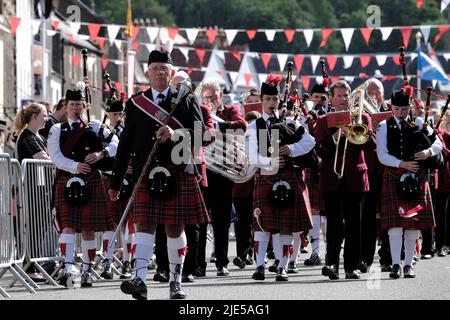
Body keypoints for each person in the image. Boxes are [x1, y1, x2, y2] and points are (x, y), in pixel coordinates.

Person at [108, 50, 209, 300]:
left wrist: (175, 135)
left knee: (175, 228)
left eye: (165, 69)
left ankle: (175, 281)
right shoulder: (135, 103)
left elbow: (202, 135)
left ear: (172, 73)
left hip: (178, 171)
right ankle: (140, 279)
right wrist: (116, 181)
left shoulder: (186, 99)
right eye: (155, 69)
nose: (160, 73)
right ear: (148, 73)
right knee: (144, 226)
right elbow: (125, 144)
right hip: (147, 173)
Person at [48, 89, 118, 288]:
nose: (75, 107)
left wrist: (101, 154)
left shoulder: (94, 126)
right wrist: (75, 166)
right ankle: (69, 267)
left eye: (79, 104)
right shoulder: (57, 130)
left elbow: (116, 142)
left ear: (84, 106)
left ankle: (87, 270)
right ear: (66, 106)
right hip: (67, 179)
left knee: (89, 229)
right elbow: (54, 156)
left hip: (92, 180)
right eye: (72, 104)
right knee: (68, 225)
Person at [248, 74, 315, 282]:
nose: (271, 103)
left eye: (274, 99)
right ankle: (259, 266)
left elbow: (310, 142)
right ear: (262, 100)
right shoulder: (253, 126)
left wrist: (292, 148)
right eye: (267, 99)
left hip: (288, 176)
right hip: (266, 176)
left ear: (279, 100)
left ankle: (282, 267)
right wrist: (270, 162)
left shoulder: (290, 122)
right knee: (262, 226)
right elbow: (251, 156)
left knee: (286, 226)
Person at [376, 89, 442, 279]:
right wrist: (402, 163)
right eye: (397, 109)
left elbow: (437, 143)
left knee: (413, 222)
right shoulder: (383, 126)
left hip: (416, 176)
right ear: (391, 108)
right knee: (395, 224)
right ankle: (396, 264)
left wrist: (427, 153)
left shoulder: (419, 123)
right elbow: (382, 155)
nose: (401, 113)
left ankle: (408, 264)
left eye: (404, 109)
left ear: (409, 107)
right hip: (394, 175)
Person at [315, 80, 372, 280]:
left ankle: (352, 266)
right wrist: (335, 137)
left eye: (346, 95)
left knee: (354, 225)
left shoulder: (362, 117)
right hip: (332, 178)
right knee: (334, 225)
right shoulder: (323, 120)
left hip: (355, 177)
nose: (343, 99)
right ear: (331, 98)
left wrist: (356, 129)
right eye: (338, 95)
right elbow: (320, 150)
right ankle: (331, 263)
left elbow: (368, 145)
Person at [198, 79, 247, 276]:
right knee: (200, 221)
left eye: (213, 96)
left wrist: (215, 124)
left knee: (222, 220)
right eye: (206, 97)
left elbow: (241, 125)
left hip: (223, 171)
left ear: (221, 95)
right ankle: (198, 264)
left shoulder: (230, 110)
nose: (210, 101)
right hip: (204, 170)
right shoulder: (199, 112)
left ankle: (221, 262)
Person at [435, 110, 450, 256]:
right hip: (444, 179)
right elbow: (443, 151)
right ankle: (440, 244)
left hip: (446, 178)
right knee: (441, 213)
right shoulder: (440, 135)